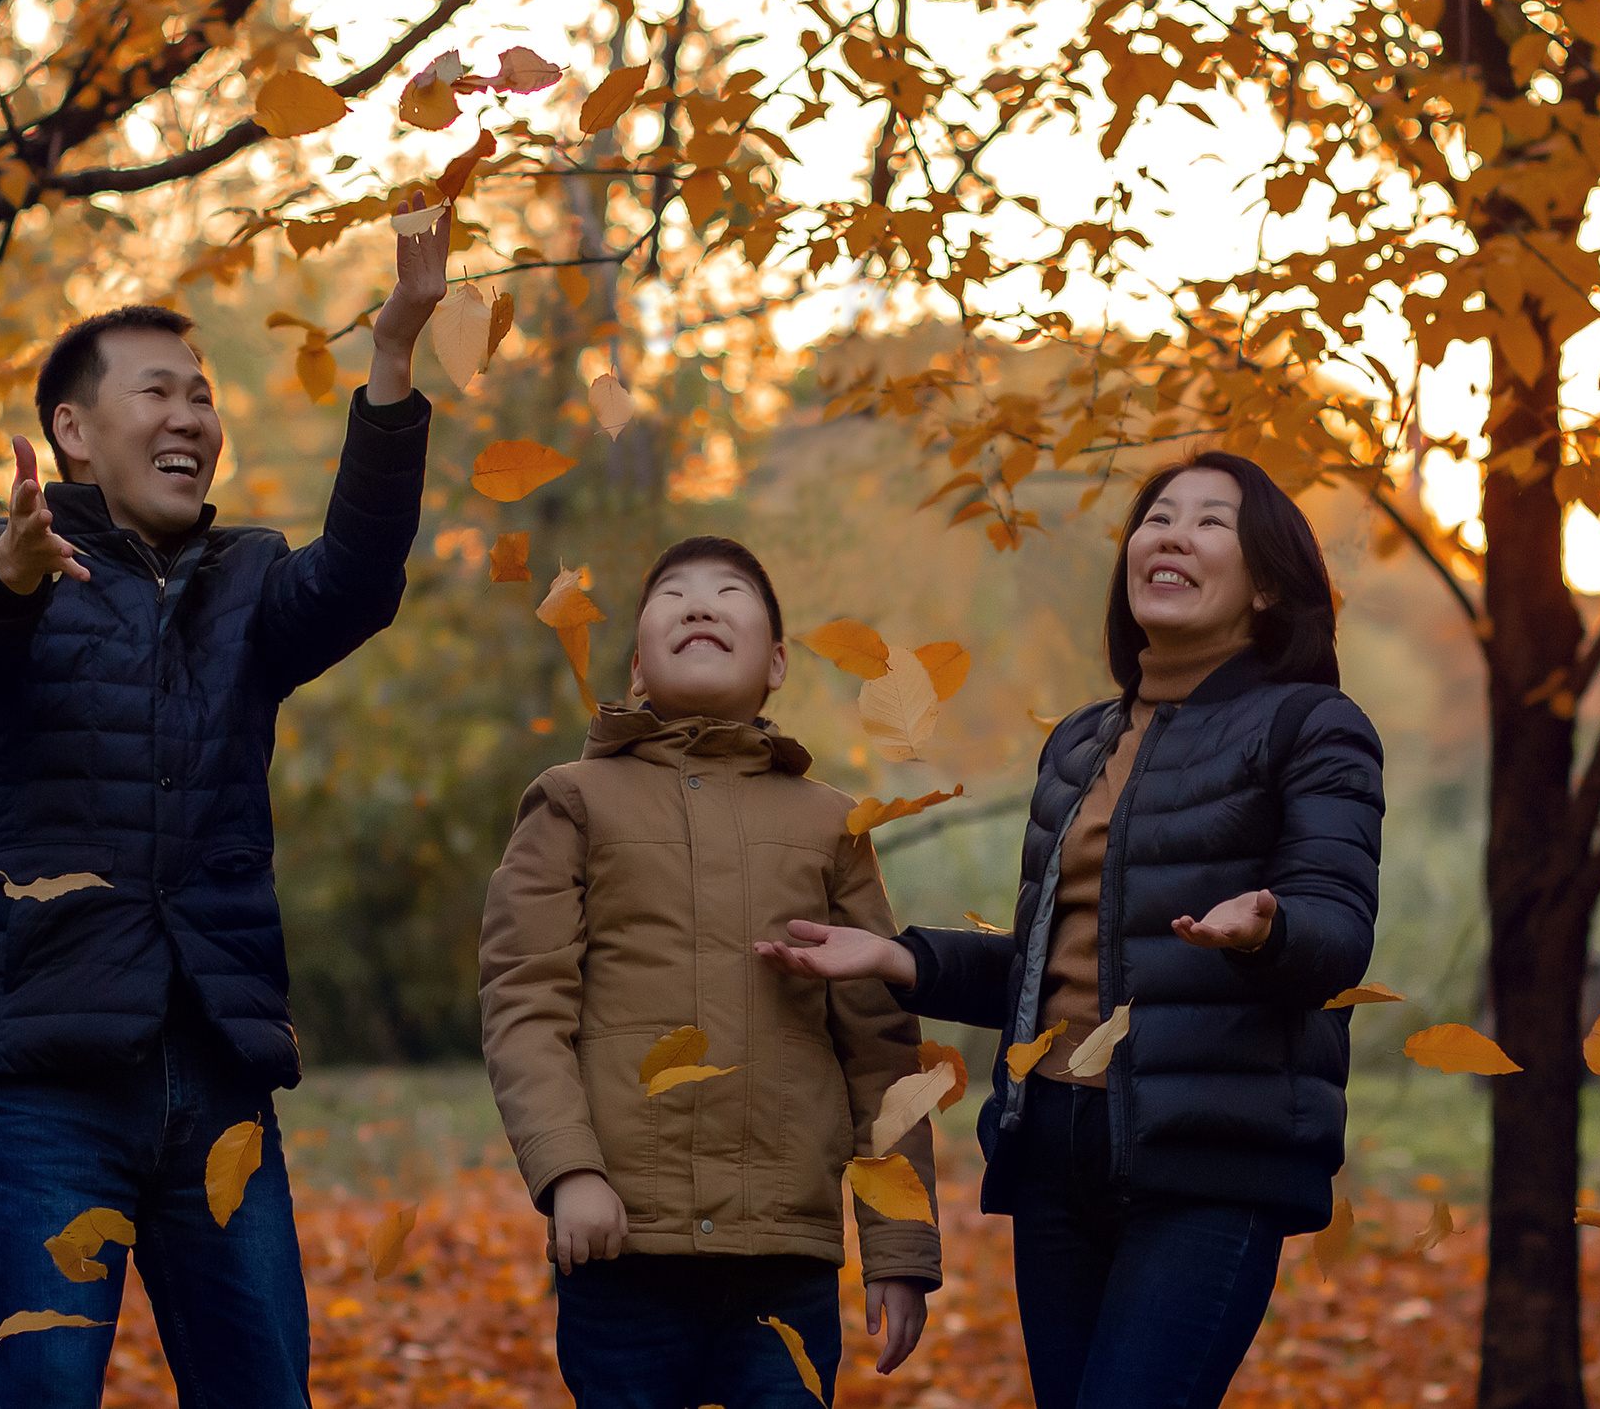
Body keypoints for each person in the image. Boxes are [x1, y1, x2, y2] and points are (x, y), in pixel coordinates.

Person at [0, 209, 447, 1409]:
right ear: (73, 431)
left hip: (218, 1073)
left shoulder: (246, 580)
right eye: (157, 392)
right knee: (40, 1392)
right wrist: (6, 570)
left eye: (202, 397)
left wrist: (396, 360)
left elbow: (359, 580)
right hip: (50, 1075)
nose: (191, 419)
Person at [758, 454, 1382, 1409]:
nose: (1170, 534)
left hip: (1207, 1160)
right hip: (1054, 1150)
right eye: (1157, 517)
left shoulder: (1310, 726)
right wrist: (901, 958)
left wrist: (1268, 924)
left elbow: (1336, 935)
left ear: (1266, 585)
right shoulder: (1080, 743)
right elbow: (1046, 966)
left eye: (1211, 522)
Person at [478, 536, 940, 1409]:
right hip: (621, 1246)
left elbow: (881, 1048)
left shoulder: (832, 823)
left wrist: (902, 1246)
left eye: (729, 591)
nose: (698, 604)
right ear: (637, 668)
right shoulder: (573, 799)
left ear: (776, 663)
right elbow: (524, 1002)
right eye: (673, 595)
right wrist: (568, 1169)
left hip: (783, 1263)